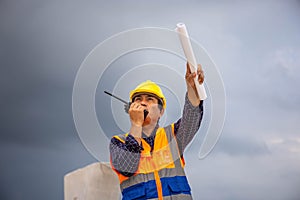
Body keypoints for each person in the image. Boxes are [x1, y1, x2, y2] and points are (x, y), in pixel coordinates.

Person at [110, 63, 204, 200]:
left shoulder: (172, 136)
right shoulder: (118, 143)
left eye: (149, 99)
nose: (143, 103)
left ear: (161, 111)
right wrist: (136, 124)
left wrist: (193, 89)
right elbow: (127, 167)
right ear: (130, 109)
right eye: (138, 100)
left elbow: (192, 118)